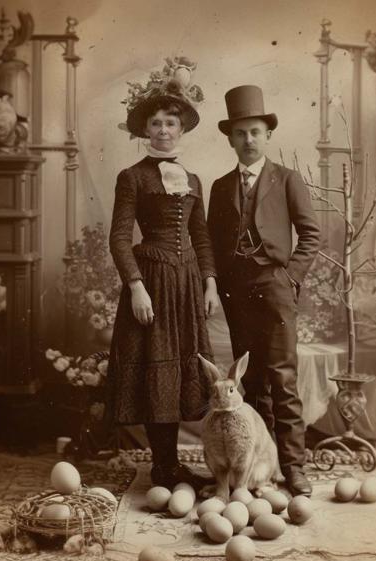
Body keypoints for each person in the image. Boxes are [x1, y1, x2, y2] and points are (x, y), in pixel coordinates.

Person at [107, 64, 219, 490]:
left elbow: (201, 235)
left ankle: (173, 466)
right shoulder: (132, 177)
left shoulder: (193, 180)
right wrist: (136, 286)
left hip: (186, 283)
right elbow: (120, 238)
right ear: (145, 130)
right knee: (157, 368)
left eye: (170, 122)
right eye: (155, 123)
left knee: (181, 367)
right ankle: (164, 466)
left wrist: (209, 281)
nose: (163, 130)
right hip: (152, 283)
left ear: (181, 128)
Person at [207, 85, 320, 497]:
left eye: (255, 132)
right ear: (230, 139)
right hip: (237, 293)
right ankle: (257, 466)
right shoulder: (221, 187)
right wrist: (217, 283)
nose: (248, 140)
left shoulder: (287, 179)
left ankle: (293, 468)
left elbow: (311, 234)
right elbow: (212, 245)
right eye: (240, 133)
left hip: (275, 287)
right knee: (250, 383)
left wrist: (290, 278)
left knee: (283, 381)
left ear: (267, 134)